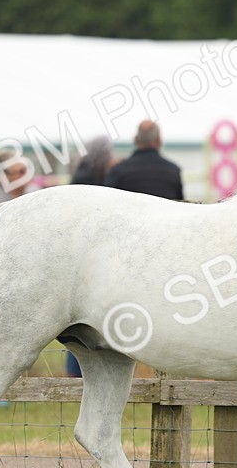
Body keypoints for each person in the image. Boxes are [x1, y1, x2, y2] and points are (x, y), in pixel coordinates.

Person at [65, 136, 119, 378]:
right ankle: (77, 372)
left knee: (74, 312)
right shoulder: (99, 175)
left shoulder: (81, 171)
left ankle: (75, 371)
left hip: (79, 249)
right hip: (91, 248)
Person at [105, 121, 184, 200]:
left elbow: (106, 201)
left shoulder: (119, 170)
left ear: (136, 139)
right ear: (158, 140)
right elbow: (179, 204)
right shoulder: (173, 171)